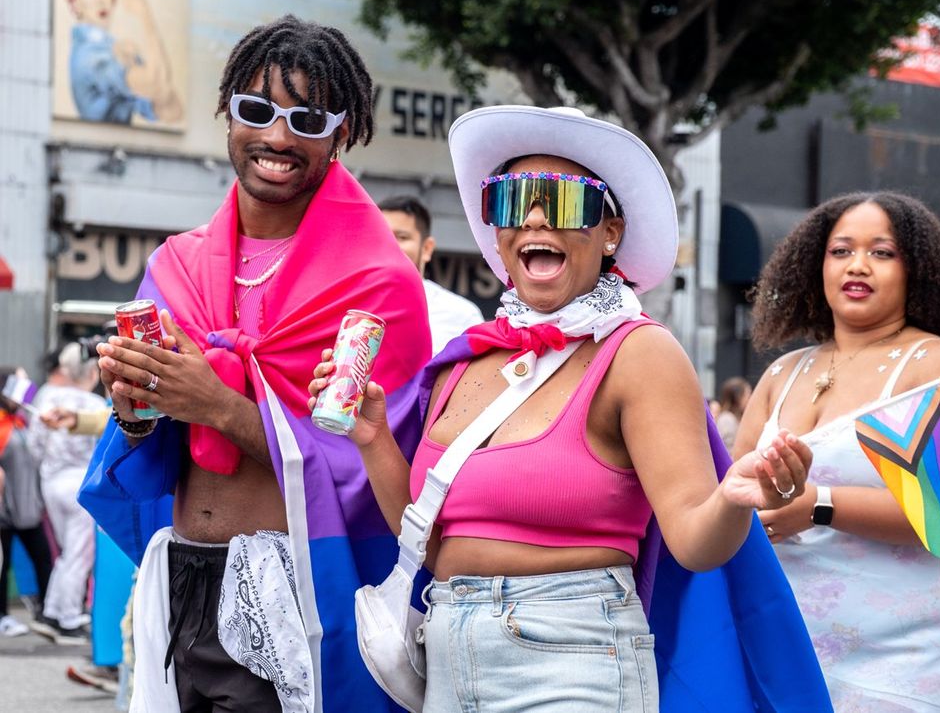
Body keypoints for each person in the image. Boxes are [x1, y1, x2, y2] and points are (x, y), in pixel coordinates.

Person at [310, 105, 830, 711]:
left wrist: (735, 498)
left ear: (610, 233)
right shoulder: (465, 360)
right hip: (446, 654)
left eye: (564, 202)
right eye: (511, 200)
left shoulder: (637, 352)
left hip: (574, 657)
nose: (534, 217)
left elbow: (694, 540)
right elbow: (423, 541)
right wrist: (373, 438)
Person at [79, 15, 430, 713]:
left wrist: (218, 406)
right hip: (179, 572)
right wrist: (135, 406)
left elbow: (369, 474)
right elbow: (150, 436)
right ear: (226, 114)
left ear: (343, 133)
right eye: (257, 110)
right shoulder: (174, 264)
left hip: (295, 586)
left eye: (306, 118)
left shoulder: (378, 285)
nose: (276, 137)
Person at [735, 191, 940, 712]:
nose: (859, 265)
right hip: (779, 649)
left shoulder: (934, 366)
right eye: (841, 250)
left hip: (900, 664)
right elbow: (731, 493)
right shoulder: (783, 373)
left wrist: (819, 506)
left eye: (883, 253)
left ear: (918, 270)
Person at [26, 343, 106, 645]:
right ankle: (69, 618)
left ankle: (52, 611)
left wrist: (45, 470)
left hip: (51, 481)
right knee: (79, 554)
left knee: (64, 552)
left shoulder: (46, 395)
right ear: (90, 371)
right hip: (80, 483)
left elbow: (35, 445)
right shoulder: (95, 405)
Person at [378, 195, 485, 356]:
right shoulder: (350, 305)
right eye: (382, 236)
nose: (390, 244)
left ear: (427, 248)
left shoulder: (462, 316)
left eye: (402, 237)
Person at [64, 0, 182, 124]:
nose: (100, 0)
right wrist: (144, 14)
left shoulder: (112, 49)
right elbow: (157, 83)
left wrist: (139, 69)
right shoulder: (91, 57)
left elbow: (172, 111)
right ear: (75, 3)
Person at [0, 368, 51, 638]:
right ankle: (3, 616)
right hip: (4, 512)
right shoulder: (2, 424)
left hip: (28, 509)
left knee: (44, 559)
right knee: (2, 564)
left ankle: (45, 611)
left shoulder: (21, 421)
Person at [715, 376, 752, 454]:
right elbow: (728, 451)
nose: (750, 399)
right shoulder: (727, 419)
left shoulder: (737, 418)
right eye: (748, 395)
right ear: (738, 397)